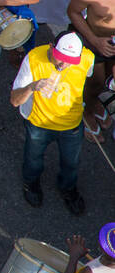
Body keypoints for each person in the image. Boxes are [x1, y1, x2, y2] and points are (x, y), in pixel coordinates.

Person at [9, 31, 91, 214]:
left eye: (70, 60)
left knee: (71, 163)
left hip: (71, 125)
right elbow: (14, 100)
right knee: (33, 160)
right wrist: (33, 86)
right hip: (39, 124)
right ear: (51, 47)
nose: (64, 64)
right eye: (60, 58)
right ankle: (31, 184)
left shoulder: (87, 58)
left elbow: (90, 79)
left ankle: (68, 189)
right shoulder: (34, 59)